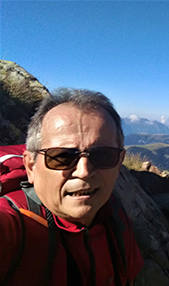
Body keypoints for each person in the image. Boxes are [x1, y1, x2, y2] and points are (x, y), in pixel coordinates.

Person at [0, 88, 144, 285]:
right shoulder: (13, 226)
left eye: (103, 155)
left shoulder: (114, 216)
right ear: (31, 166)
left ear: (119, 163)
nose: (84, 171)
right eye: (61, 157)